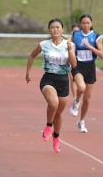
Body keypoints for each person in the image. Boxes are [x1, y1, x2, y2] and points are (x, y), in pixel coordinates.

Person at [25, 18, 77, 153]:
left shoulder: (69, 44)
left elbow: (74, 64)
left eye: (58, 27)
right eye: (52, 27)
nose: (55, 29)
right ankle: (48, 126)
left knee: (59, 113)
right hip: (48, 79)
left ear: (62, 30)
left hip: (63, 81)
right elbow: (32, 56)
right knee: (53, 103)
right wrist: (27, 73)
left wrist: (70, 50)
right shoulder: (44, 44)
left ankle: (56, 137)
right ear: (49, 30)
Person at [69, 14, 103, 133]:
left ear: (91, 23)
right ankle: (76, 101)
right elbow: (69, 46)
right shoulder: (75, 35)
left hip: (90, 66)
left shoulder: (96, 36)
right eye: (83, 23)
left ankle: (81, 121)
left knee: (87, 99)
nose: (85, 25)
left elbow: (102, 55)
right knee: (81, 87)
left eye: (88, 23)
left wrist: (90, 47)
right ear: (80, 24)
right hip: (78, 65)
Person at [68, 24, 80, 100]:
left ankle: (78, 95)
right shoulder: (68, 41)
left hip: (81, 62)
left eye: (77, 31)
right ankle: (75, 98)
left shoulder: (82, 40)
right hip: (71, 62)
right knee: (73, 80)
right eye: (74, 31)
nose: (75, 32)